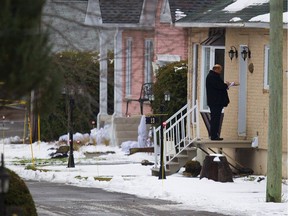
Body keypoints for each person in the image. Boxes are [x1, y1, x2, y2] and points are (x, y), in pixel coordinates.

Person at [206, 64, 231, 141]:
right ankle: (214, 135)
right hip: (215, 102)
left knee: (215, 118)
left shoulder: (212, 76)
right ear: (216, 69)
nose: (220, 72)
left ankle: (214, 134)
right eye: (220, 70)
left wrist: (225, 85)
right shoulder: (212, 77)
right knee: (215, 119)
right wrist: (226, 85)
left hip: (215, 102)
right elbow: (219, 86)